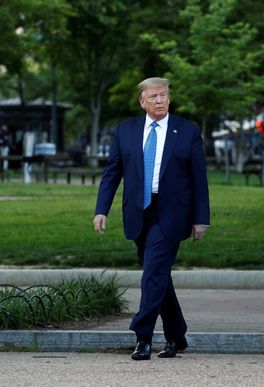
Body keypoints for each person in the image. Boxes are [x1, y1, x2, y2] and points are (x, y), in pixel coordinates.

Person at [93, 77, 210, 361]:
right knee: (159, 276)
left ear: (169, 99)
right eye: (154, 97)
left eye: (164, 96)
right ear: (142, 101)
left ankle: (142, 335)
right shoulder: (125, 131)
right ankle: (177, 335)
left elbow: (199, 179)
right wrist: (101, 209)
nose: (160, 101)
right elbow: (112, 173)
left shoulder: (187, 131)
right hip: (138, 212)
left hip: (172, 213)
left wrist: (201, 219)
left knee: (153, 273)